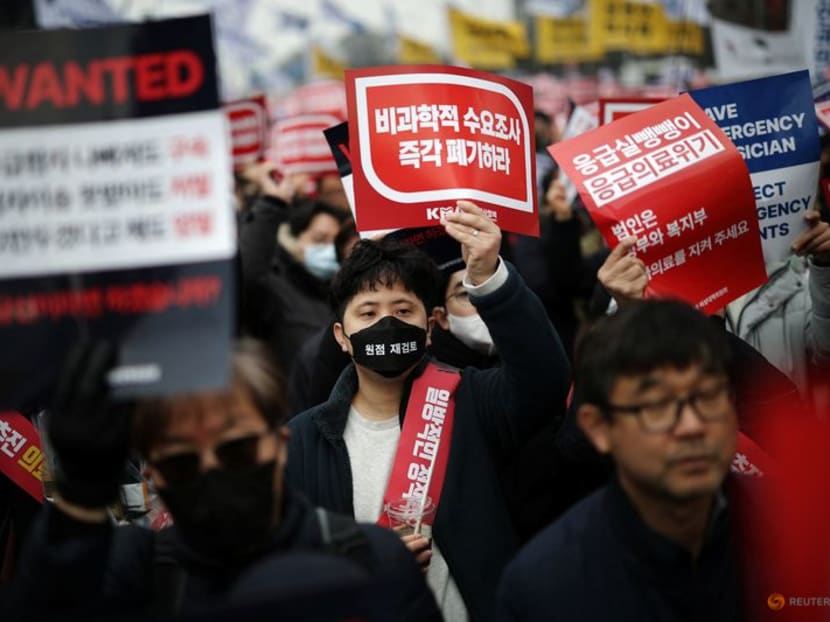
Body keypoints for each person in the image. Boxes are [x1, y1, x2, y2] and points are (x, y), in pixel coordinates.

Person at [1, 340, 440, 620]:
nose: (212, 468)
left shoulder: (372, 560)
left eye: (237, 449)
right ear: (152, 474)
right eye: (181, 462)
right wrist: (80, 500)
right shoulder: (134, 570)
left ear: (281, 444)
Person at [287, 201, 570, 622]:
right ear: (342, 338)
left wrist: (489, 278)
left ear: (431, 325)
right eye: (368, 312)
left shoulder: (471, 400)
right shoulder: (304, 440)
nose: (387, 323)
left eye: (403, 311)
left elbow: (545, 378)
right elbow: (289, 564)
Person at [496, 300, 746, 621]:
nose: (692, 427)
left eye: (708, 397)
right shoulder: (543, 585)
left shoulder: (800, 533)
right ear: (598, 427)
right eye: (657, 407)